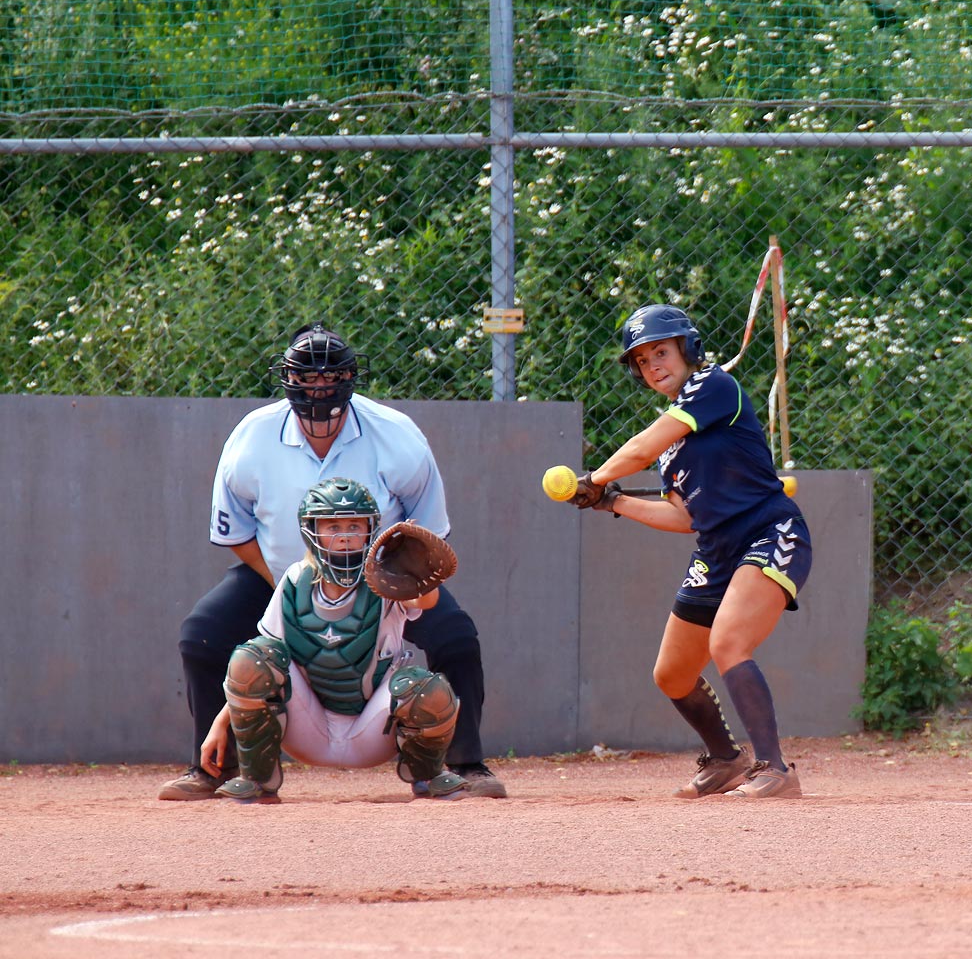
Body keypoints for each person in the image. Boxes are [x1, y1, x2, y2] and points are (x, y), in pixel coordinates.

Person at [159, 322, 504, 800]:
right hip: (279, 574)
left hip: (384, 584)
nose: (319, 387)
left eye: (330, 377)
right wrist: (289, 584)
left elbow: (425, 535)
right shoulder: (252, 436)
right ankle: (215, 766)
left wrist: (399, 583)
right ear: (288, 381)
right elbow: (235, 530)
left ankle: (467, 763)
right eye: (308, 378)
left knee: (456, 637)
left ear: (350, 379)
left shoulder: (395, 435)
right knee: (201, 635)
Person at [569, 303, 812, 799]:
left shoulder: (713, 386)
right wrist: (612, 501)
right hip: (716, 552)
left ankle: (775, 770)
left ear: (688, 349)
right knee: (673, 673)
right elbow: (683, 517)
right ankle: (726, 760)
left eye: (661, 351)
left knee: (727, 643)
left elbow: (637, 446)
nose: (652, 365)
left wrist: (595, 478)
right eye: (641, 360)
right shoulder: (672, 447)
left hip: (770, 534)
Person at [199, 477, 472, 801]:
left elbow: (424, 603)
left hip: (372, 729)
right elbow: (254, 668)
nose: (344, 536)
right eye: (333, 526)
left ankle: (428, 776)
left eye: (355, 526)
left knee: (426, 688)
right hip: (308, 728)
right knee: (253, 657)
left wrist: (419, 576)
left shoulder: (387, 579)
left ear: (371, 530)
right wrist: (219, 724)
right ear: (312, 531)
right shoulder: (296, 580)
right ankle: (257, 780)